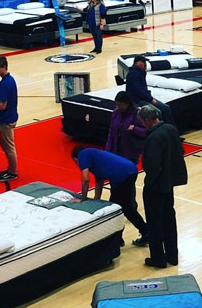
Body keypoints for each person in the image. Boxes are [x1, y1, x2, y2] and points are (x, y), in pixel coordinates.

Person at [137, 104, 187, 269]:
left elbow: (152, 165)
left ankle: (158, 258)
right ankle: (172, 255)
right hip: (169, 183)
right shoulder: (171, 129)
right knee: (169, 220)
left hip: (156, 185)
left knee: (154, 223)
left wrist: (149, 182)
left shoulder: (154, 138)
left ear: (146, 120)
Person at [71, 145, 148, 246]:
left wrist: (82, 199)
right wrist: (96, 199)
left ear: (76, 159)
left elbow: (85, 179)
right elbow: (99, 182)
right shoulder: (95, 157)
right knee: (125, 207)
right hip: (129, 170)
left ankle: (122, 238)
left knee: (116, 209)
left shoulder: (83, 155)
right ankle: (142, 233)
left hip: (122, 175)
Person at [124, 55, 177, 129]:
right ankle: (160, 132)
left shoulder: (139, 72)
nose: (145, 64)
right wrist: (151, 99)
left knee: (166, 108)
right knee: (157, 112)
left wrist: (149, 97)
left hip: (143, 98)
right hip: (137, 100)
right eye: (143, 62)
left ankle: (172, 130)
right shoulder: (133, 74)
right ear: (138, 63)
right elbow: (138, 91)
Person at [105, 91, 147, 165]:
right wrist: (107, 150)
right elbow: (111, 132)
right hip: (116, 151)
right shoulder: (115, 112)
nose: (119, 107)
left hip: (131, 153)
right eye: (117, 105)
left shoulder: (137, 113)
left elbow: (146, 131)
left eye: (121, 105)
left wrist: (135, 129)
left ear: (128, 103)